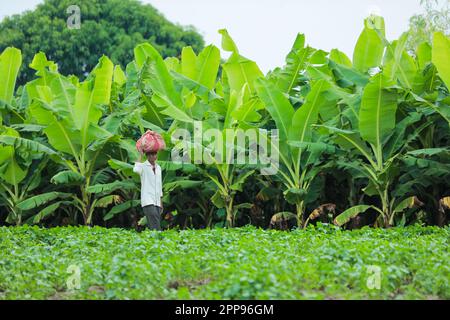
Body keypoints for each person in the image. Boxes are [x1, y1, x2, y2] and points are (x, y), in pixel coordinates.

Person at [133, 150, 163, 230]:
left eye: (154, 154)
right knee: (153, 217)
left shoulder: (159, 168)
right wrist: (140, 155)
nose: (152, 156)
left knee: (155, 220)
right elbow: (135, 169)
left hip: (157, 200)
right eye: (150, 155)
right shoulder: (143, 166)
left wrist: (161, 202)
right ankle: (159, 237)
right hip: (147, 199)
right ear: (147, 156)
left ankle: (154, 238)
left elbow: (159, 185)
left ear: (156, 155)